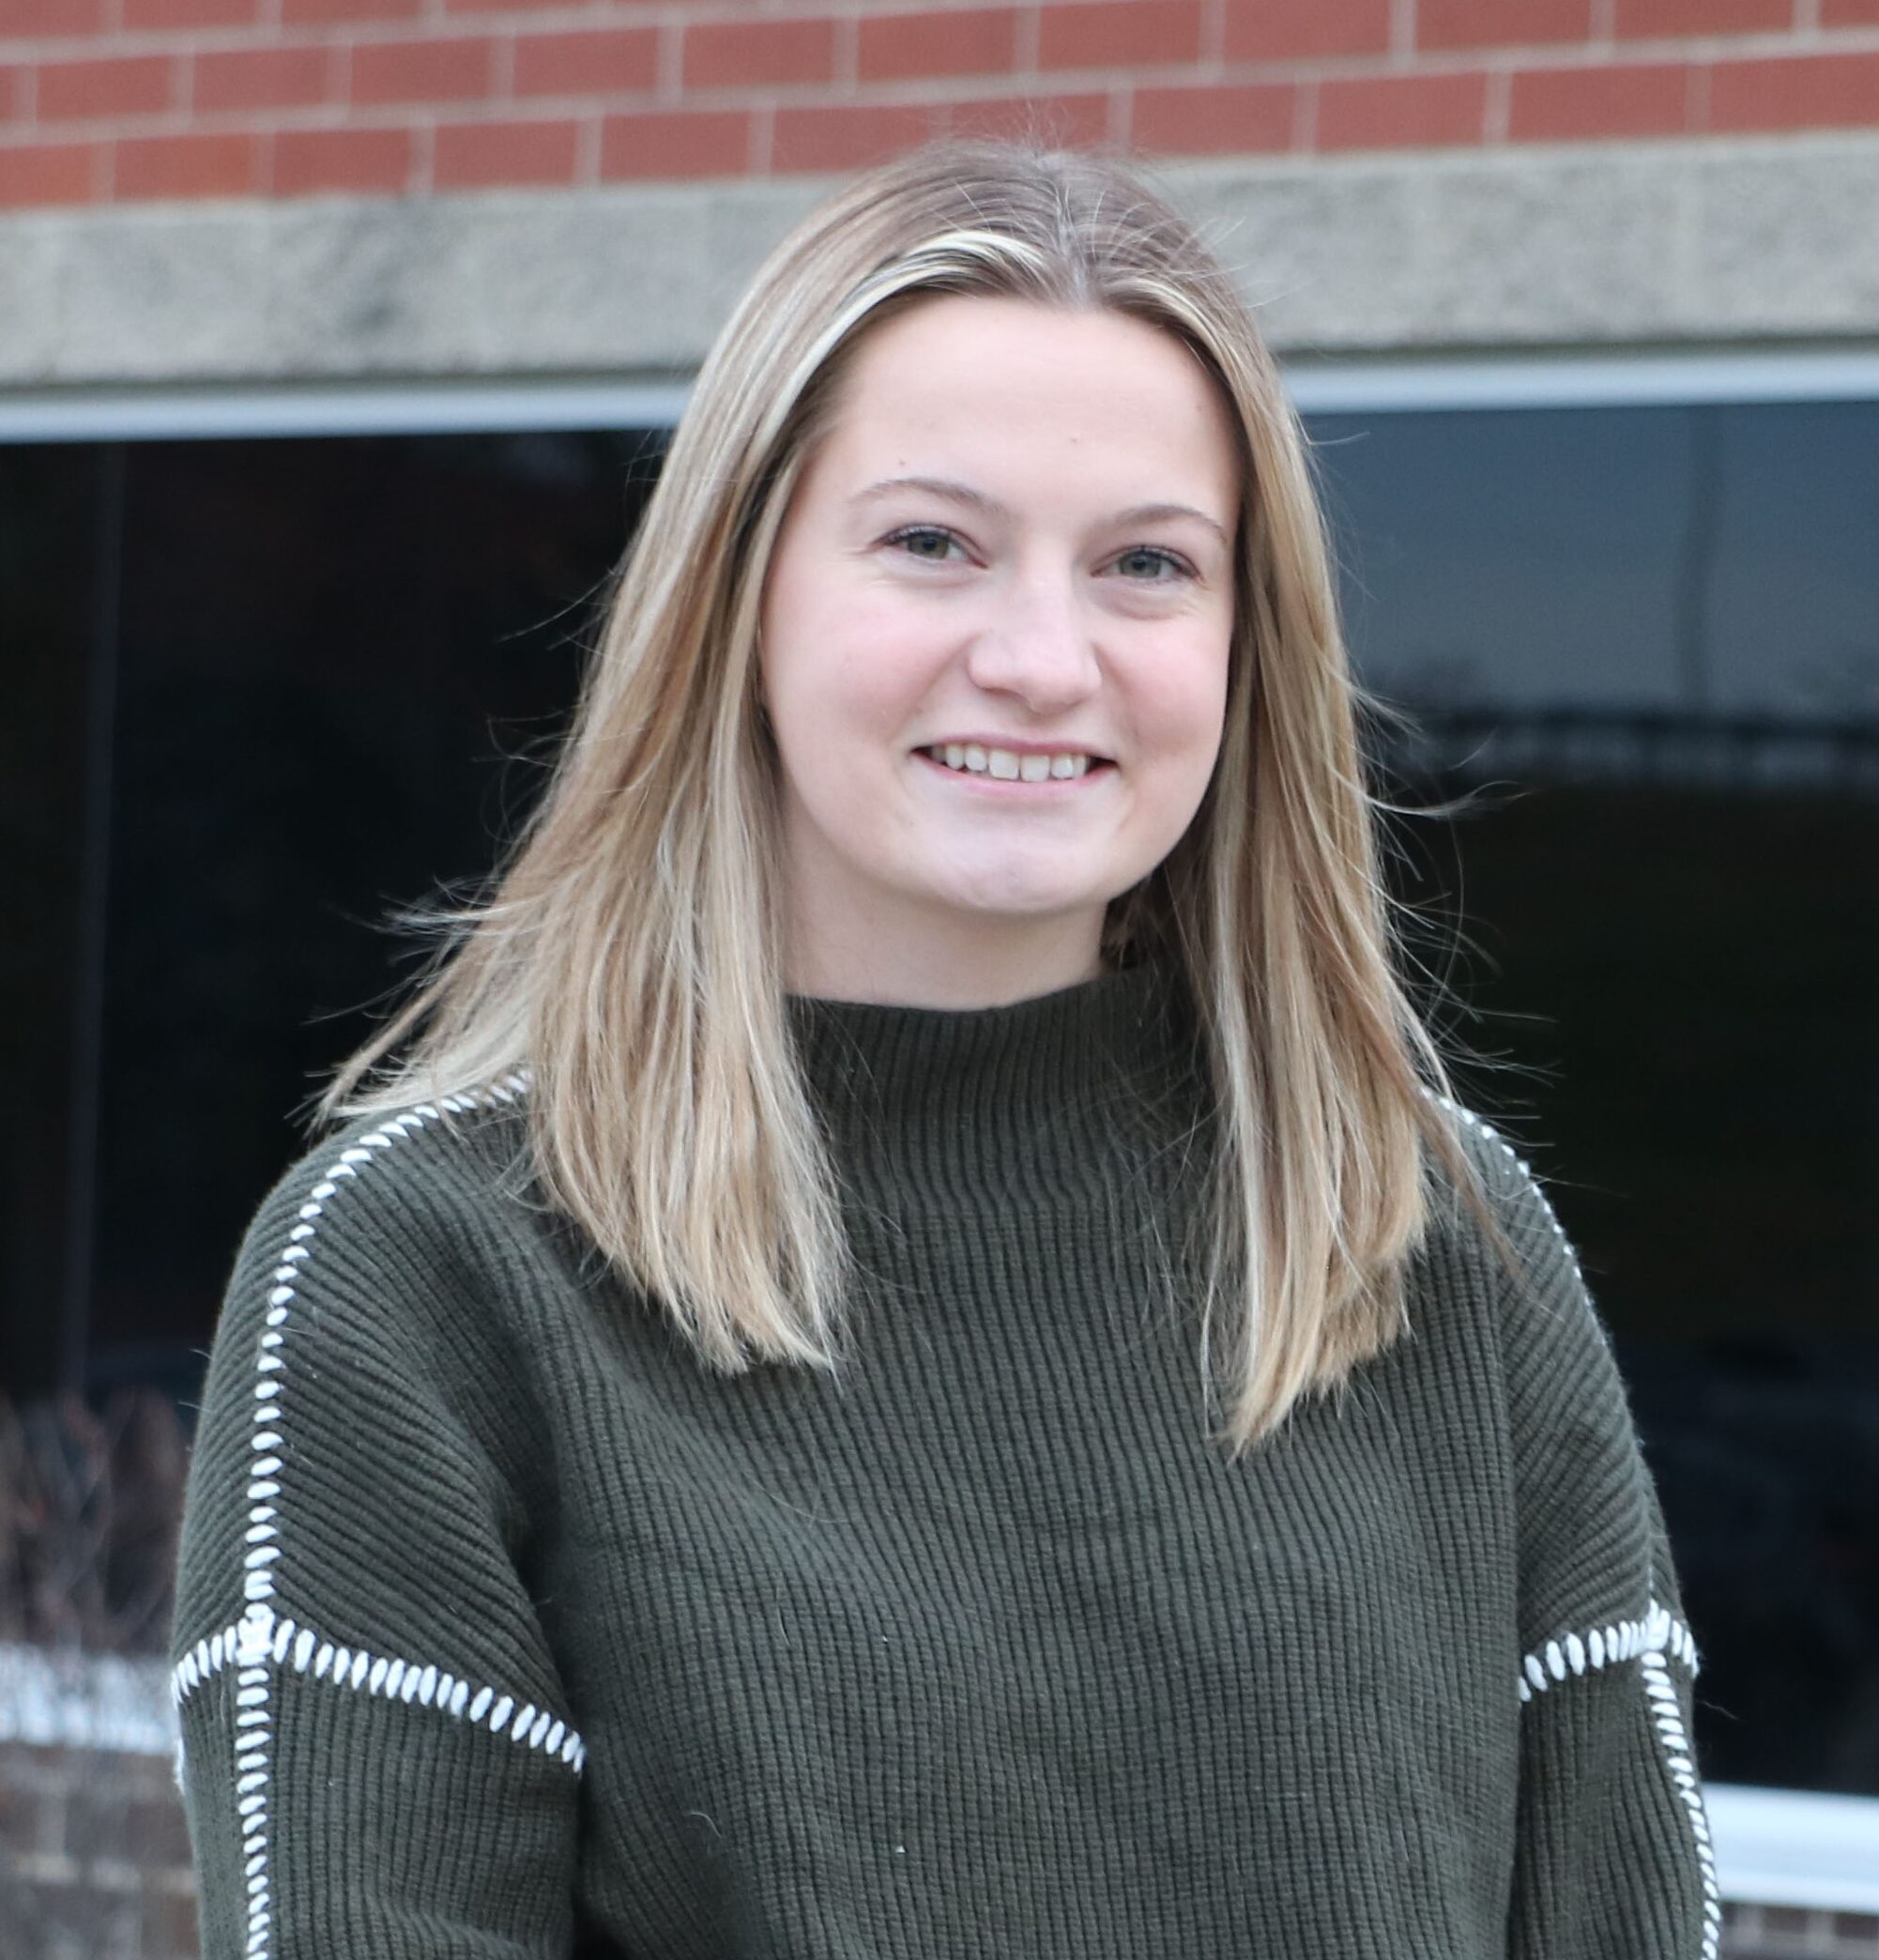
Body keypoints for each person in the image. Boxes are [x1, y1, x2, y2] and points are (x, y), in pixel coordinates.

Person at [170, 142, 1719, 1960]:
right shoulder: (420, 1284)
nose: (1043, 658)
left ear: (1244, 651)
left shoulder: (1439, 1244)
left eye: (1147, 564)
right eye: (932, 543)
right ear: (739, 600)